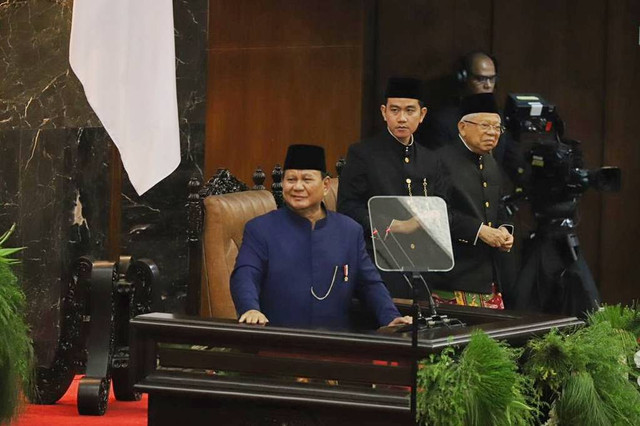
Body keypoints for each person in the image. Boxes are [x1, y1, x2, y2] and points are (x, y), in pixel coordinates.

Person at [230, 144, 411, 329]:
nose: (297, 187)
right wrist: (250, 309)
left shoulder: (349, 230)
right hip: (279, 343)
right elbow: (245, 274)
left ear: (325, 186)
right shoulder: (260, 229)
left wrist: (391, 318)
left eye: (307, 179)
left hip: (336, 346)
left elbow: (370, 284)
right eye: (291, 179)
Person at [337, 77, 445, 298]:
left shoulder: (430, 159)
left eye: (409, 111)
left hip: (421, 262)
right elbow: (348, 207)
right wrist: (396, 225)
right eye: (394, 110)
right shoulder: (363, 154)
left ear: (422, 114)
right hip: (377, 259)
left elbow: (442, 206)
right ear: (384, 112)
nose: (402, 118)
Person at [432, 93, 514, 309]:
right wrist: (479, 231)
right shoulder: (440, 161)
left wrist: (505, 232)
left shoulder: (491, 161)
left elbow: (498, 206)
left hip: (487, 275)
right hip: (452, 274)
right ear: (462, 127)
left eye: (497, 127)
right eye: (485, 125)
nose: (493, 133)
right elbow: (436, 214)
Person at [421, 51, 525, 184]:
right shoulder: (443, 121)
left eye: (491, 79)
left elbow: (512, 159)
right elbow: (441, 169)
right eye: (480, 79)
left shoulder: (498, 117)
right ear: (464, 79)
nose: (487, 85)